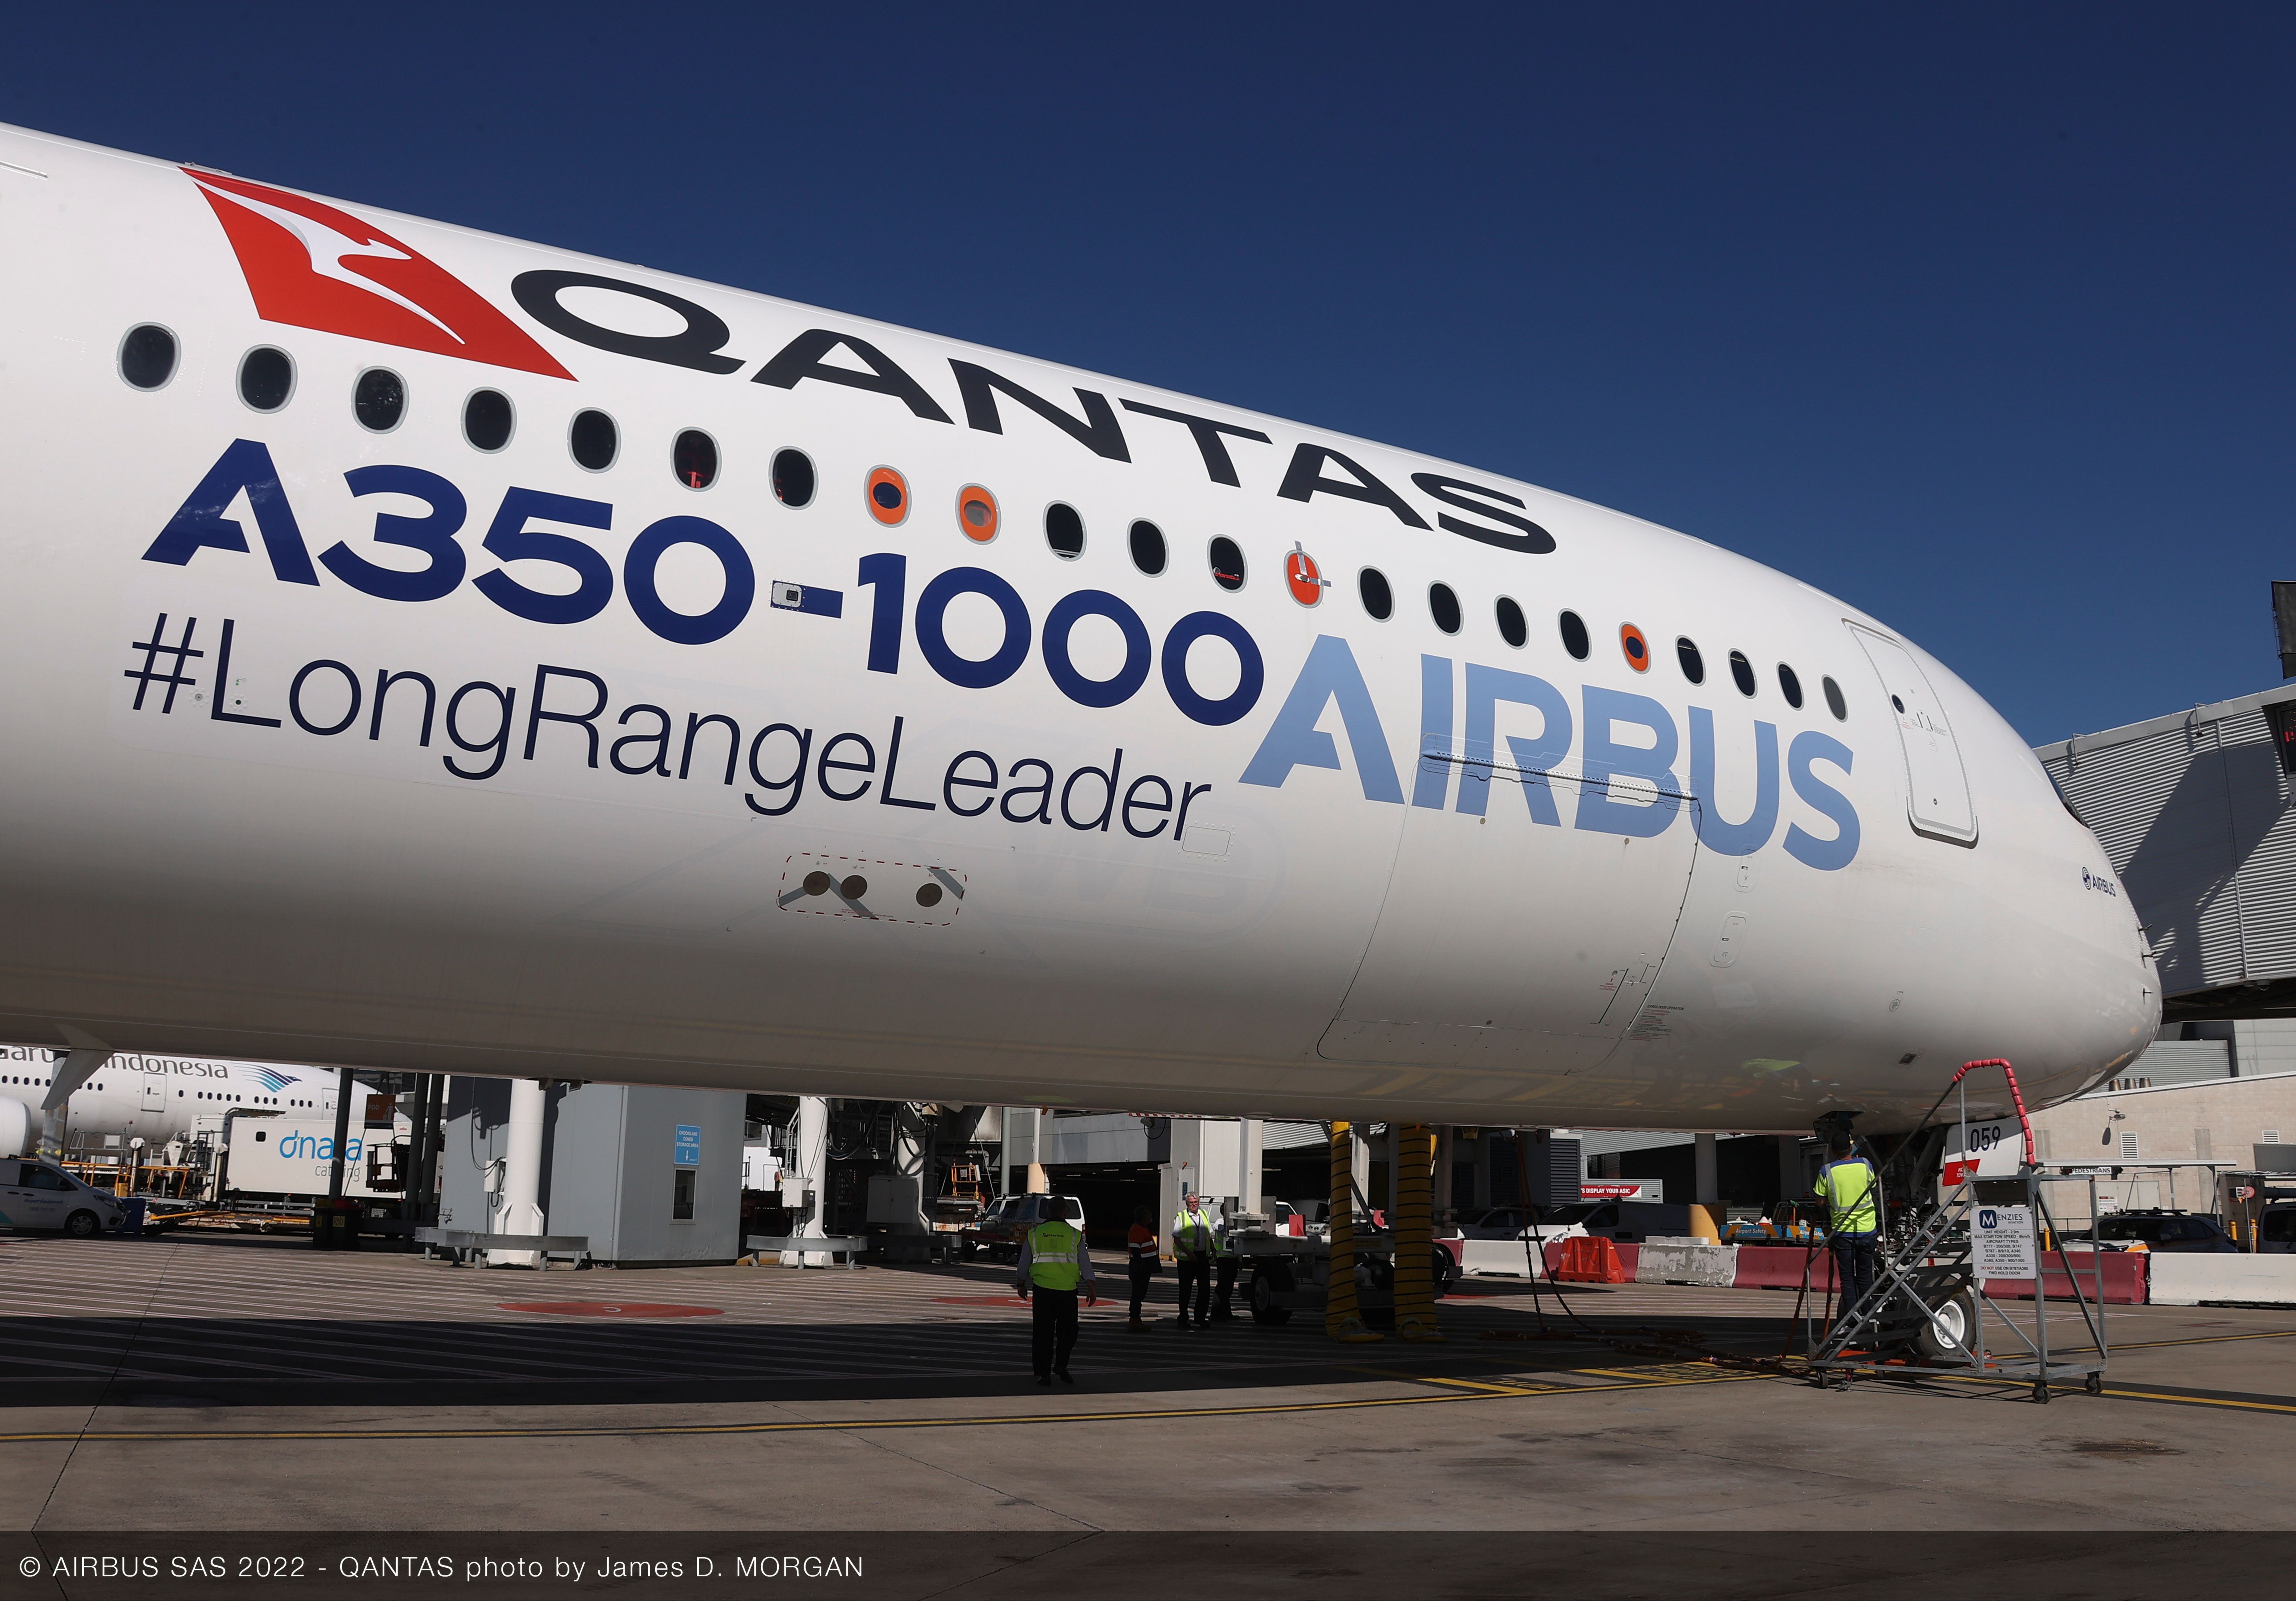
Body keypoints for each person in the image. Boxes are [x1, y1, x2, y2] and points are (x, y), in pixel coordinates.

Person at [1015, 1201, 1096, 1384]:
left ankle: (1044, 1374)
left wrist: (1021, 1283)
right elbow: (1085, 1264)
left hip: (1042, 1291)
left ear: (1047, 1212)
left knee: (1043, 1334)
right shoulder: (1075, 1235)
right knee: (1069, 1332)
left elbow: (1024, 1264)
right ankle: (1061, 1364)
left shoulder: (1034, 1235)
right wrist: (1091, 1287)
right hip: (1067, 1292)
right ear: (1066, 1212)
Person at [1814, 1129, 1880, 1311]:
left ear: (1833, 1151)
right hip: (1867, 1229)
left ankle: (1852, 1318)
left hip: (1843, 1233)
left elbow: (1820, 1201)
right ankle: (1869, 1313)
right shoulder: (1866, 1164)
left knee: (1848, 1278)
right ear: (1851, 1148)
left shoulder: (1827, 1171)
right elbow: (1873, 1186)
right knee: (1866, 1277)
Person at [1171, 1189, 1217, 1329]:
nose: (1194, 1205)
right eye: (1191, 1203)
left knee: (1205, 1289)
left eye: (1196, 1202)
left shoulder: (1203, 1214)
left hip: (1203, 1256)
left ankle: (1200, 1317)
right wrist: (1189, 1253)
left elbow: (1209, 1235)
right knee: (1186, 1290)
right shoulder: (1182, 1217)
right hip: (1187, 1259)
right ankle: (1183, 1319)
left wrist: (1214, 1250)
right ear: (1187, 1204)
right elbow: (1177, 1239)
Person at [1125, 1204, 1158, 1332]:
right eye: (1148, 1213)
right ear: (1143, 1216)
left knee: (1139, 1294)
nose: (1151, 1215)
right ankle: (1134, 1320)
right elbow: (1135, 1248)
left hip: (1143, 1267)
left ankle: (1135, 1320)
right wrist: (1140, 1265)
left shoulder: (1142, 1228)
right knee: (1137, 1295)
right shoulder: (1138, 1229)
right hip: (1140, 1268)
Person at [1211, 1207, 1241, 1322]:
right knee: (1223, 1287)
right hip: (1223, 1259)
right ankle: (1220, 1313)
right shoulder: (1220, 1222)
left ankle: (1222, 1312)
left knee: (1228, 1288)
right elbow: (1219, 1228)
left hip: (1232, 1259)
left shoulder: (1235, 1224)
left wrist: (1240, 1259)